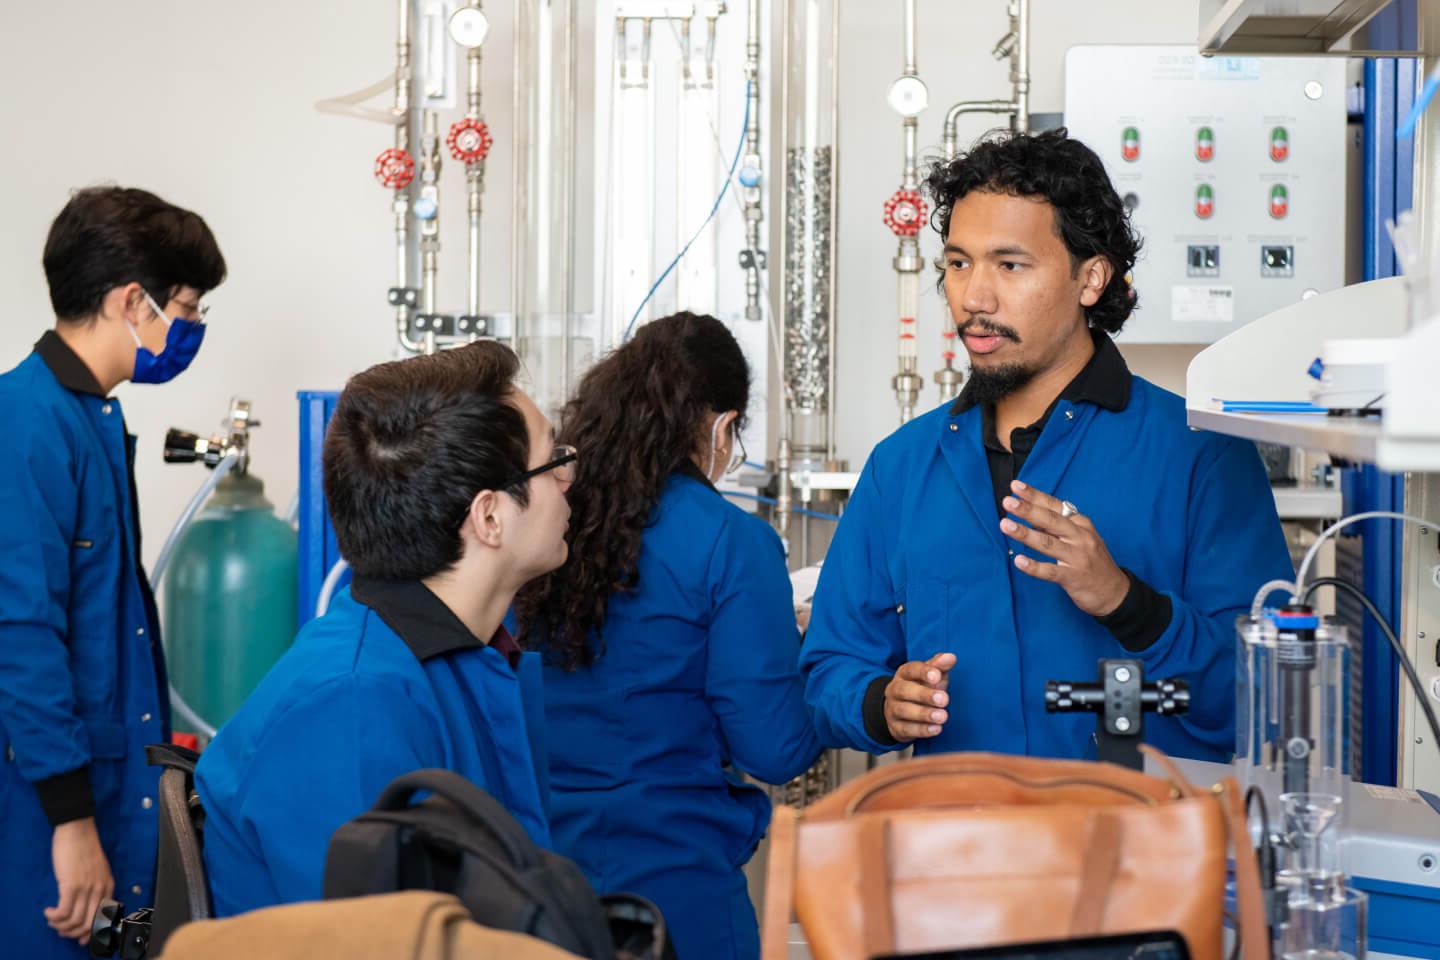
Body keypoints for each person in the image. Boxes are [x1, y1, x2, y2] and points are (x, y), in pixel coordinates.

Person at [801, 129, 1294, 762]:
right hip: (961, 845)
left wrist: (1126, 603)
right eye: (957, 263)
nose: (974, 298)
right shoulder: (901, 467)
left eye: (1010, 265)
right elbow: (827, 673)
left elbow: (1269, 703)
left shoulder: (1202, 456)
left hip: (1139, 850)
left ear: (1091, 279)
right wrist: (880, 702)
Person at [195, 342, 572, 917]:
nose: (570, 481)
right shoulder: (351, 705)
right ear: (490, 516)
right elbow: (369, 941)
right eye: (554, 463)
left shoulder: (465, 655)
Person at [515, 312, 822, 960]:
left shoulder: (551, 531)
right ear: (719, 426)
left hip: (542, 898)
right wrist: (812, 659)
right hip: (677, 899)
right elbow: (775, 750)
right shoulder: (732, 542)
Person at [0, 186, 225, 958]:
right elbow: (21, 633)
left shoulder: (96, 415)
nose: (191, 329)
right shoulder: (24, 423)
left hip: (107, 794)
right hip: (48, 812)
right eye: (187, 308)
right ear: (135, 301)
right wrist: (70, 823)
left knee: (113, 944)